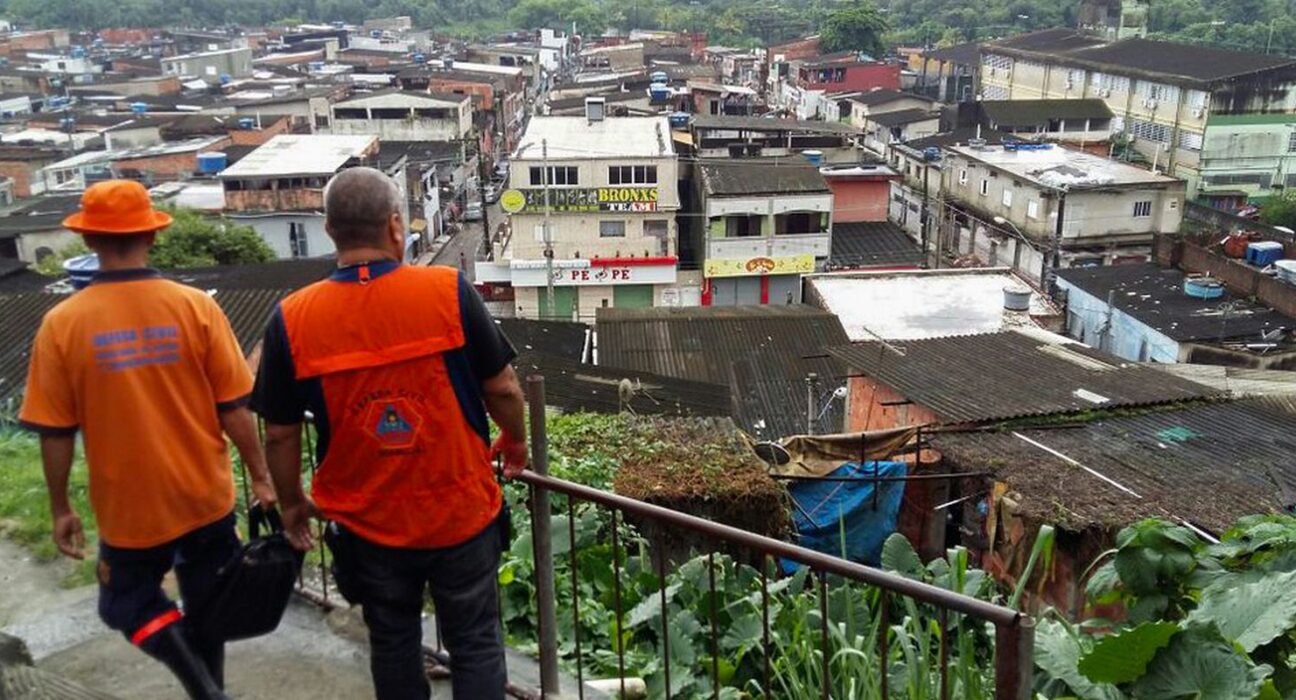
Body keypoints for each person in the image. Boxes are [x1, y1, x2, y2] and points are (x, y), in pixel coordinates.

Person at [253, 167, 528, 700]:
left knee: (394, 639)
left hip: (367, 522)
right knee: (475, 642)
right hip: (459, 512)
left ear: (330, 231)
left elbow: (280, 435)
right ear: (396, 227)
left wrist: (291, 503)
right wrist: (514, 441)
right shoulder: (446, 290)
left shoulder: (294, 318)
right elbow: (504, 389)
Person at [18, 180, 276, 700]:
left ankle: (205, 692)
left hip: (131, 508)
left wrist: (61, 505)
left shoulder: (62, 324)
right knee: (208, 608)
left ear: (88, 242)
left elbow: (55, 430)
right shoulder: (195, 308)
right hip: (205, 495)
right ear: (151, 237)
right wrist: (262, 477)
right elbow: (235, 408)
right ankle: (210, 690)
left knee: (125, 604)